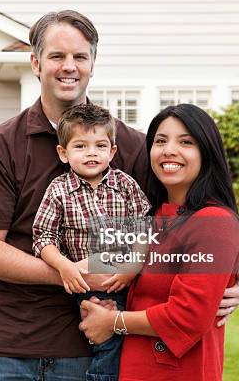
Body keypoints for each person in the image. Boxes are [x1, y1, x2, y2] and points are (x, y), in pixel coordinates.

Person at [0, 10, 239, 381]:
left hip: (89, 349)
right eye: (56, 56)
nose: (69, 67)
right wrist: (72, 273)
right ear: (35, 63)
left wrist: (237, 277)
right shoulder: (2, 146)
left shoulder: (130, 147)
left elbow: (188, 215)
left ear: (93, 64)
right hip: (4, 346)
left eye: (80, 56)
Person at [79, 104, 239, 380]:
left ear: (207, 153)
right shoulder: (150, 215)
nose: (169, 150)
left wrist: (113, 322)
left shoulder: (214, 223)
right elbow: (109, 272)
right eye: (160, 141)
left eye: (186, 142)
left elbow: (187, 316)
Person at [32, 103, 150, 381]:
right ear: (63, 153)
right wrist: (64, 267)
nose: (91, 153)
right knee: (106, 343)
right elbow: (43, 237)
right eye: (81, 146)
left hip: (129, 280)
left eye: (99, 146)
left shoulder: (125, 185)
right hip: (86, 284)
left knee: (132, 344)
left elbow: (144, 229)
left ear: (112, 151)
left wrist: (131, 269)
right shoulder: (59, 190)